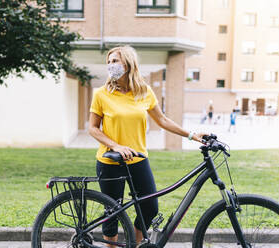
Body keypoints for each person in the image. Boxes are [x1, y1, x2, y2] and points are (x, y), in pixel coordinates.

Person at [88, 46, 206, 246]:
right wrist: (115, 145)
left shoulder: (144, 91)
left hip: (138, 159)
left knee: (150, 208)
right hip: (109, 161)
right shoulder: (102, 94)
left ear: (128, 63)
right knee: (112, 212)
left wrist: (192, 135)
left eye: (115, 61)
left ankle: (136, 245)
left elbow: (162, 120)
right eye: (108, 62)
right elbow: (93, 128)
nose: (110, 65)